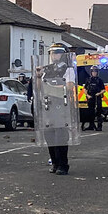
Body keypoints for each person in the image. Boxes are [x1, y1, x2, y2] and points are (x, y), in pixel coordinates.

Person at [36, 43, 76, 175]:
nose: (54, 55)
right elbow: (39, 88)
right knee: (49, 136)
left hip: (61, 105)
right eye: (52, 53)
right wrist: (37, 76)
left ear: (63, 54)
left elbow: (69, 87)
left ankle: (63, 164)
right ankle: (54, 162)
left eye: (57, 53)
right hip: (47, 105)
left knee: (60, 136)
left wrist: (51, 88)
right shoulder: (46, 70)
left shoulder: (68, 69)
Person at [82, 66, 105, 131]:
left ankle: (99, 126)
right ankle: (91, 125)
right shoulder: (88, 80)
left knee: (98, 112)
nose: (94, 73)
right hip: (90, 97)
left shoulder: (99, 80)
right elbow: (85, 89)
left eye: (95, 72)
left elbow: (103, 89)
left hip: (97, 97)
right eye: (93, 72)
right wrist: (87, 95)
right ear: (91, 73)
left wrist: (99, 93)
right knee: (90, 112)